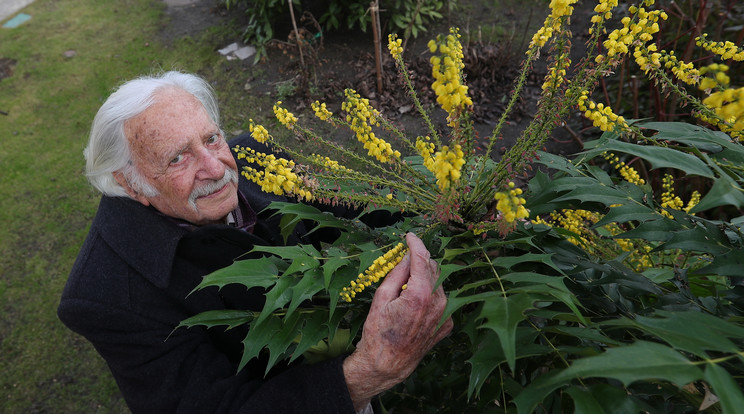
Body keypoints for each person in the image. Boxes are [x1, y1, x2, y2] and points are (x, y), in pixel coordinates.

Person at [57, 71, 453, 414]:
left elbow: (351, 207)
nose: (216, 167)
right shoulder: (104, 299)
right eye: (178, 158)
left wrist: (448, 209)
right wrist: (370, 372)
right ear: (129, 183)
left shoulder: (252, 154)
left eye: (212, 138)